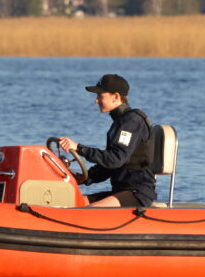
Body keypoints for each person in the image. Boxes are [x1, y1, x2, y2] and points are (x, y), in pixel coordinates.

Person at [58, 74, 156, 207]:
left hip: (137, 193)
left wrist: (79, 148)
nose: (96, 101)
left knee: (84, 213)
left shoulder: (131, 121)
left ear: (116, 97)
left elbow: (115, 160)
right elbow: (109, 167)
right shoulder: (120, 122)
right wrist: (84, 177)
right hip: (120, 191)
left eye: (100, 96)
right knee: (72, 203)